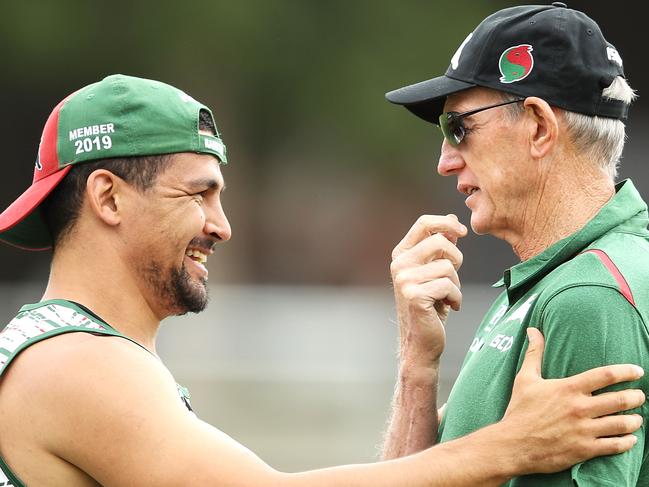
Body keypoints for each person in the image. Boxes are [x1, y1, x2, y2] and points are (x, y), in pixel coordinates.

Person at [0, 74, 643, 487]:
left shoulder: (76, 351)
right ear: (108, 199)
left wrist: (419, 366)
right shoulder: (77, 363)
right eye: (197, 195)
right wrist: (509, 446)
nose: (222, 227)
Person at [384, 2, 649, 485]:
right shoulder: (553, 279)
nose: (445, 161)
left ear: (540, 127)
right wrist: (416, 365)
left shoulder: (588, 296)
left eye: (458, 128)